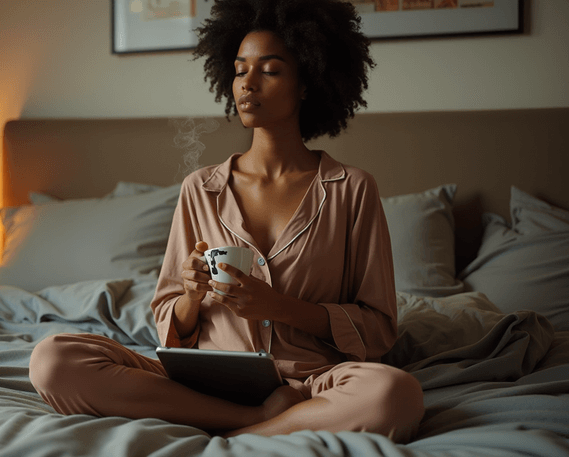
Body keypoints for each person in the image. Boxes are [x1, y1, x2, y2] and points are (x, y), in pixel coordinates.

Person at [29, 0, 424, 441]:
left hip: (312, 385)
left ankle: (237, 425)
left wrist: (280, 308)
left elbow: (378, 329)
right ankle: (253, 423)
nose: (248, 84)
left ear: (306, 83)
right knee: (53, 359)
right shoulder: (200, 188)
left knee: (395, 393)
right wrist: (190, 296)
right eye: (239, 71)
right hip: (206, 381)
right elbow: (169, 321)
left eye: (270, 70)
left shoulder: (352, 189)